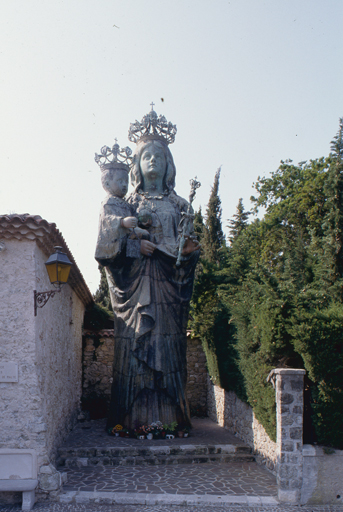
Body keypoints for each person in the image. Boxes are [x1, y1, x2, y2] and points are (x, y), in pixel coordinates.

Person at [96, 112, 200, 429]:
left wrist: (186, 251)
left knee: (169, 350)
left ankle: (172, 420)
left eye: (159, 156)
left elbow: (191, 247)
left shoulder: (180, 204)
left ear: (168, 164)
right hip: (136, 290)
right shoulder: (126, 202)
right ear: (137, 165)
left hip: (169, 292)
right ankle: (130, 421)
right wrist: (135, 248)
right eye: (147, 156)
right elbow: (108, 247)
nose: (153, 160)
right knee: (134, 352)